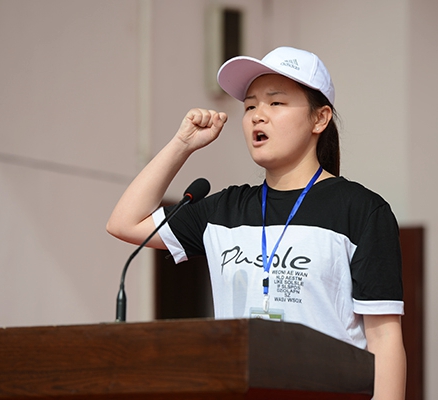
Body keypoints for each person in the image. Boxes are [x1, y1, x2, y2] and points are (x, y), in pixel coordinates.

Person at [107, 46, 406, 399]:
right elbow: (125, 223)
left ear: (320, 118)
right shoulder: (224, 210)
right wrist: (182, 145)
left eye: (275, 103)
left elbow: (384, 338)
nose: (257, 116)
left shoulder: (361, 210)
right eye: (250, 106)